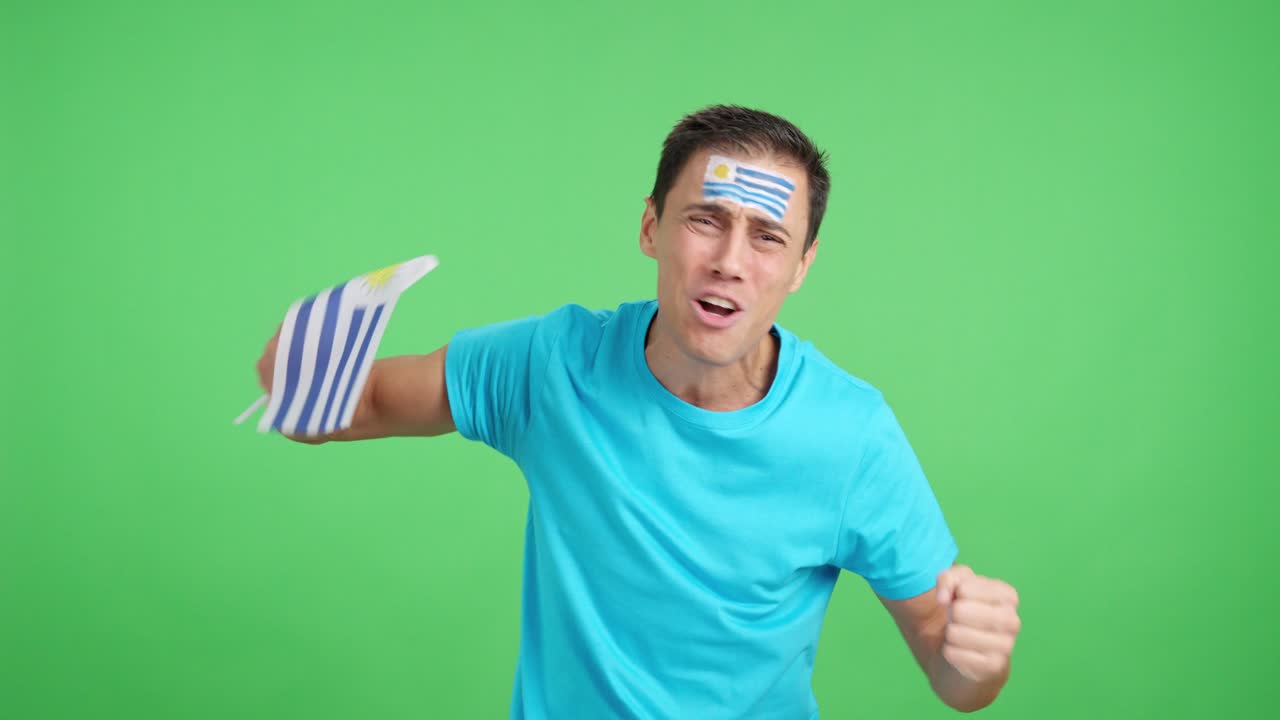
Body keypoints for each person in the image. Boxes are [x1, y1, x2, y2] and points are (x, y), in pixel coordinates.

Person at [255, 105, 1022, 718]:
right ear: (651, 227)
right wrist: (302, 376)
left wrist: (973, 661)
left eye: (767, 236)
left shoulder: (851, 436)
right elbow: (346, 406)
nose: (729, 261)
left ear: (801, 265)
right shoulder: (551, 365)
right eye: (705, 220)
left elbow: (955, 676)